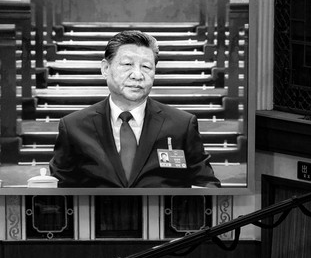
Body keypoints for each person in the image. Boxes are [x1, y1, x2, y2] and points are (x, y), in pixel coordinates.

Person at [48, 30, 219, 189]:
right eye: (127, 64)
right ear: (105, 69)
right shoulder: (73, 127)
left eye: (146, 67)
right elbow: (59, 190)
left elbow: (207, 185)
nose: (137, 75)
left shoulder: (182, 125)